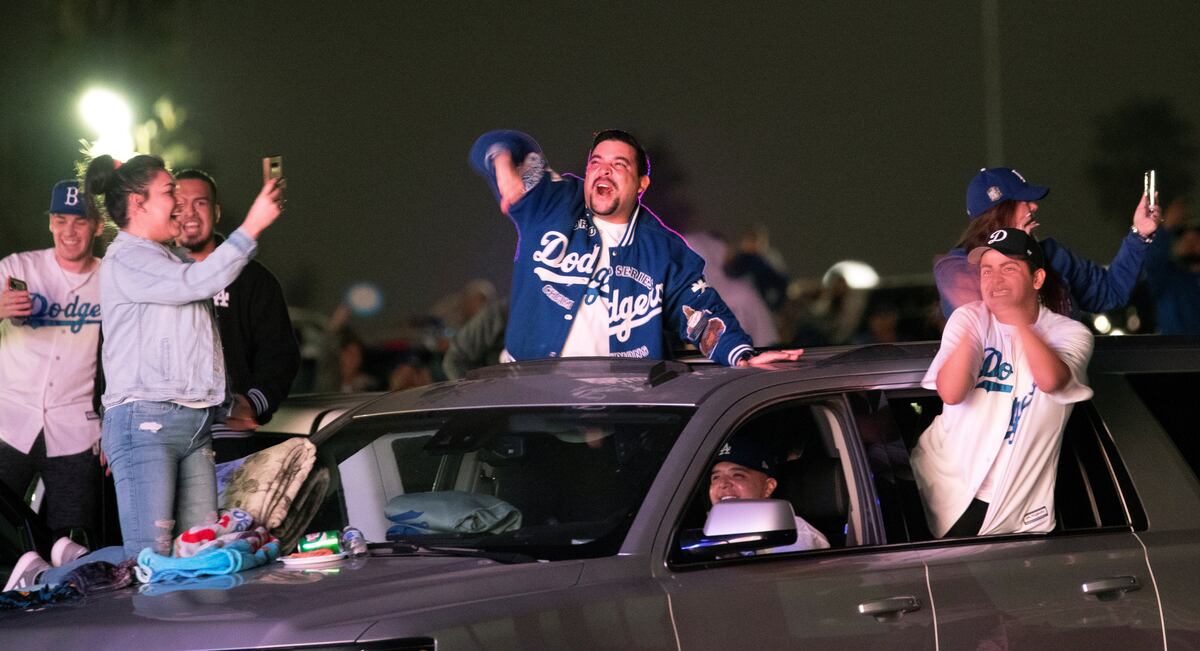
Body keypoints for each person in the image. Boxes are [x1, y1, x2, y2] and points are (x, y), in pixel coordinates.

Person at [469, 129, 801, 367]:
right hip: (527, 404)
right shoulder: (552, 202)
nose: (604, 170)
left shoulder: (662, 248)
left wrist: (743, 356)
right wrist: (501, 161)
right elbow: (506, 144)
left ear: (642, 184)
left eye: (620, 165)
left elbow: (701, 312)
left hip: (619, 415)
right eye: (596, 162)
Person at [89, 154, 283, 559]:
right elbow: (198, 281)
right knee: (151, 559)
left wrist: (228, 402)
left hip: (193, 424)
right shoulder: (128, 258)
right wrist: (252, 226)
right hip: (147, 423)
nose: (178, 202)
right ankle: (57, 572)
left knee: (202, 555)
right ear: (138, 203)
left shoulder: (167, 257)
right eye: (168, 193)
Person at [913, 228, 1094, 538]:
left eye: (1008, 268)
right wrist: (977, 317)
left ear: (1037, 279)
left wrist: (1015, 319)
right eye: (987, 270)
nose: (994, 279)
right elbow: (952, 392)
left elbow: (1051, 380)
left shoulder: (1071, 333)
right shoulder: (969, 318)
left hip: (1014, 510)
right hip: (940, 487)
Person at [0, 180, 105, 544]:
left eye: (79, 221)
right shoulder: (17, 267)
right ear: (50, 223)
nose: (69, 231)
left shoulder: (113, 278)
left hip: (76, 426)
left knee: (72, 540)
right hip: (9, 421)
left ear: (98, 225)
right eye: (60, 220)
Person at [934, 167, 1160, 319]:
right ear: (998, 210)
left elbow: (1111, 292)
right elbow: (995, 320)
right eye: (1024, 200)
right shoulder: (957, 265)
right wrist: (1016, 248)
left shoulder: (1052, 255)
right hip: (1001, 388)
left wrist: (1139, 234)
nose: (1034, 206)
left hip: (1059, 386)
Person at [173, 169, 300, 432]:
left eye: (200, 203)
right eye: (180, 205)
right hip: (166, 436)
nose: (190, 213)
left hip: (230, 433)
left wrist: (253, 401)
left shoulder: (254, 280)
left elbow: (280, 355)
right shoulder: (152, 274)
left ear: (216, 212)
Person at [708, 436, 829, 553]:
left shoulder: (791, 534)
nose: (722, 483)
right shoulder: (711, 533)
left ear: (768, 487)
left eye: (738, 475)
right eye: (716, 477)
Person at [1142, 198, 1200, 335]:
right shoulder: (1168, 278)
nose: (1190, 244)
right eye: (1184, 238)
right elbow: (1152, 261)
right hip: (1174, 352)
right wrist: (1166, 228)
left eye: (1196, 238)